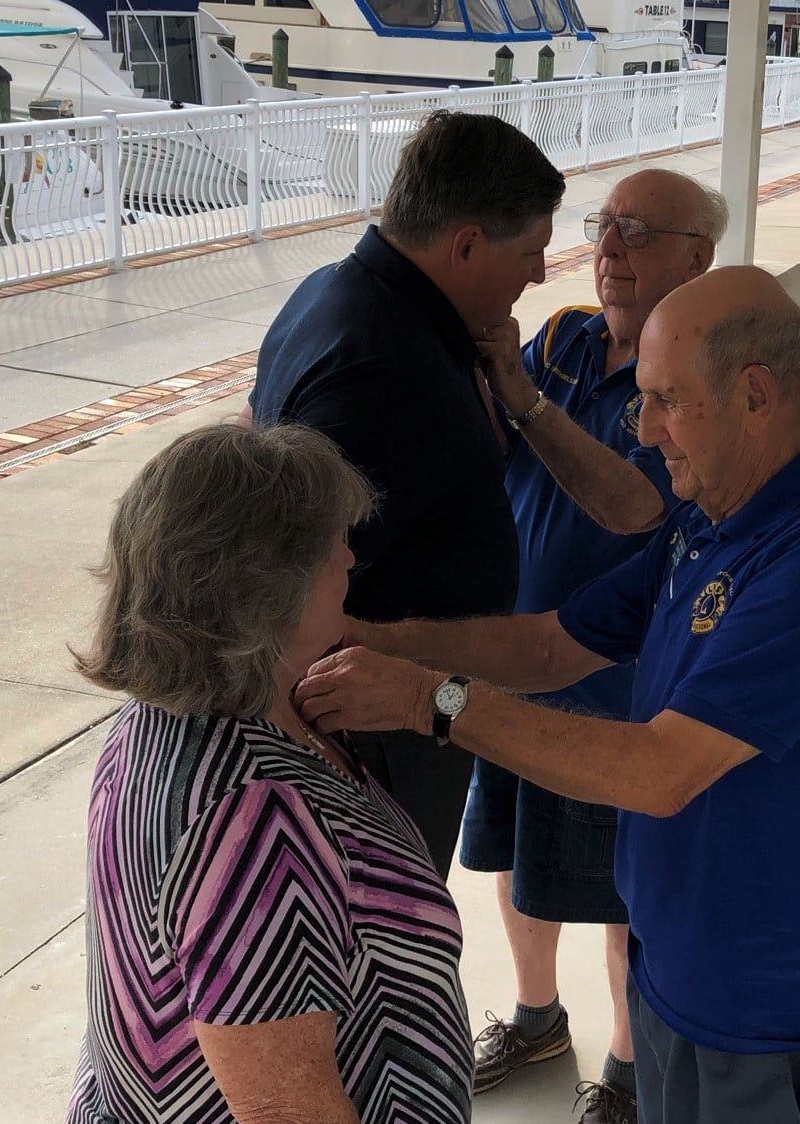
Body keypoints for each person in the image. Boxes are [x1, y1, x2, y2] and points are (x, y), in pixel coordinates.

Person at [296, 267, 800, 1124]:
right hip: (677, 966)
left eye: (667, 400)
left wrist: (430, 702)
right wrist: (365, 639)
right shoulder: (708, 518)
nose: (645, 428)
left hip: (783, 1002)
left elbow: (661, 771)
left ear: (755, 393)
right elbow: (551, 644)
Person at [67, 424, 472, 1124]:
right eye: (328, 545)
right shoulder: (254, 822)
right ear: (267, 586)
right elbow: (285, 1109)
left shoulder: (164, 718)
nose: (349, 556)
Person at [462, 169, 726, 1124]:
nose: (608, 249)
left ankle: (623, 1074)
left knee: (623, 898)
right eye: (603, 227)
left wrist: (525, 401)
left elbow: (641, 502)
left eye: (637, 232)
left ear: (696, 257)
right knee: (507, 854)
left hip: (613, 678)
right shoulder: (566, 335)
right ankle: (536, 1016)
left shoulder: (693, 372)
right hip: (513, 651)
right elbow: (489, 441)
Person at [247, 110, 566, 878]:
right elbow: (290, 585)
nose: (540, 276)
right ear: (464, 245)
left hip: (396, 710)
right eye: (530, 254)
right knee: (390, 934)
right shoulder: (384, 370)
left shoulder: (334, 292)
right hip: (371, 730)